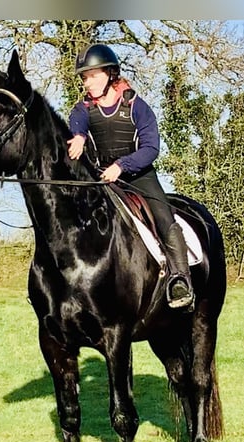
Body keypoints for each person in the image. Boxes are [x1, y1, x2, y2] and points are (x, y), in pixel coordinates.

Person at [67, 43, 194, 310]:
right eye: (84, 77)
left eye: (92, 75)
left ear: (110, 74)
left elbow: (151, 148)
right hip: (103, 178)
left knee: (163, 217)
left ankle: (180, 280)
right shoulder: (84, 108)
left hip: (138, 175)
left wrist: (122, 166)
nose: (87, 82)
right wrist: (78, 136)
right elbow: (77, 122)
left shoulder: (137, 106)